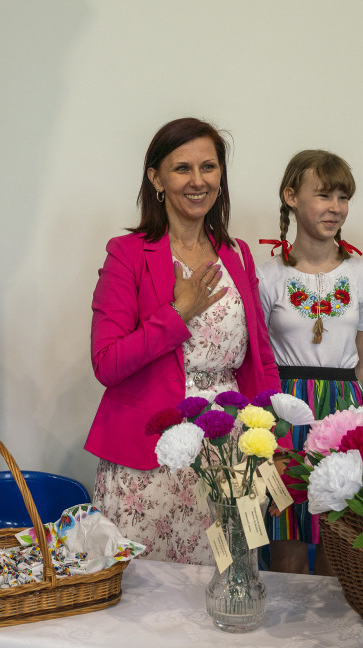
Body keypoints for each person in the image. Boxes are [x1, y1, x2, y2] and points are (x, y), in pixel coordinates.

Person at [87, 117, 281, 565]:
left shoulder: (237, 254)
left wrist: (269, 445)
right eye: (182, 169)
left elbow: (262, 363)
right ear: (155, 177)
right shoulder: (128, 253)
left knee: (223, 588)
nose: (198, 181)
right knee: (140, 601)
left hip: (228, 454)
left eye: (208, 167)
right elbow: (107, 363)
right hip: (148, 457)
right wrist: (178, 314)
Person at [257, 150, 363, 574]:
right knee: (287, 528)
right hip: (285, 408)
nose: (336, 208)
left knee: (337, 529)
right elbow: (257, 356)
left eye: (343, 197)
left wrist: (353, 414)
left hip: (343, 408)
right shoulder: (269, 276)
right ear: (291, 196)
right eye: (324, 195)